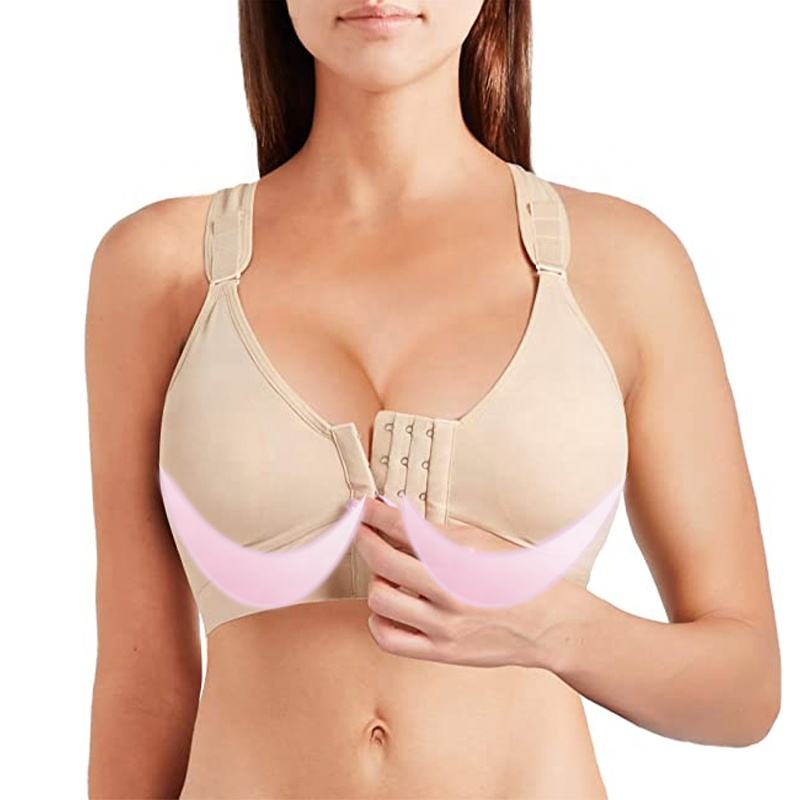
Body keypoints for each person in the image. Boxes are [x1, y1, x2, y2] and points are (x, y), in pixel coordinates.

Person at [85, 1, 781, 797]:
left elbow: (746, 688)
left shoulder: (625, 265)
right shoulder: (161, 269)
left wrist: (555, 627)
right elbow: (143, 688)